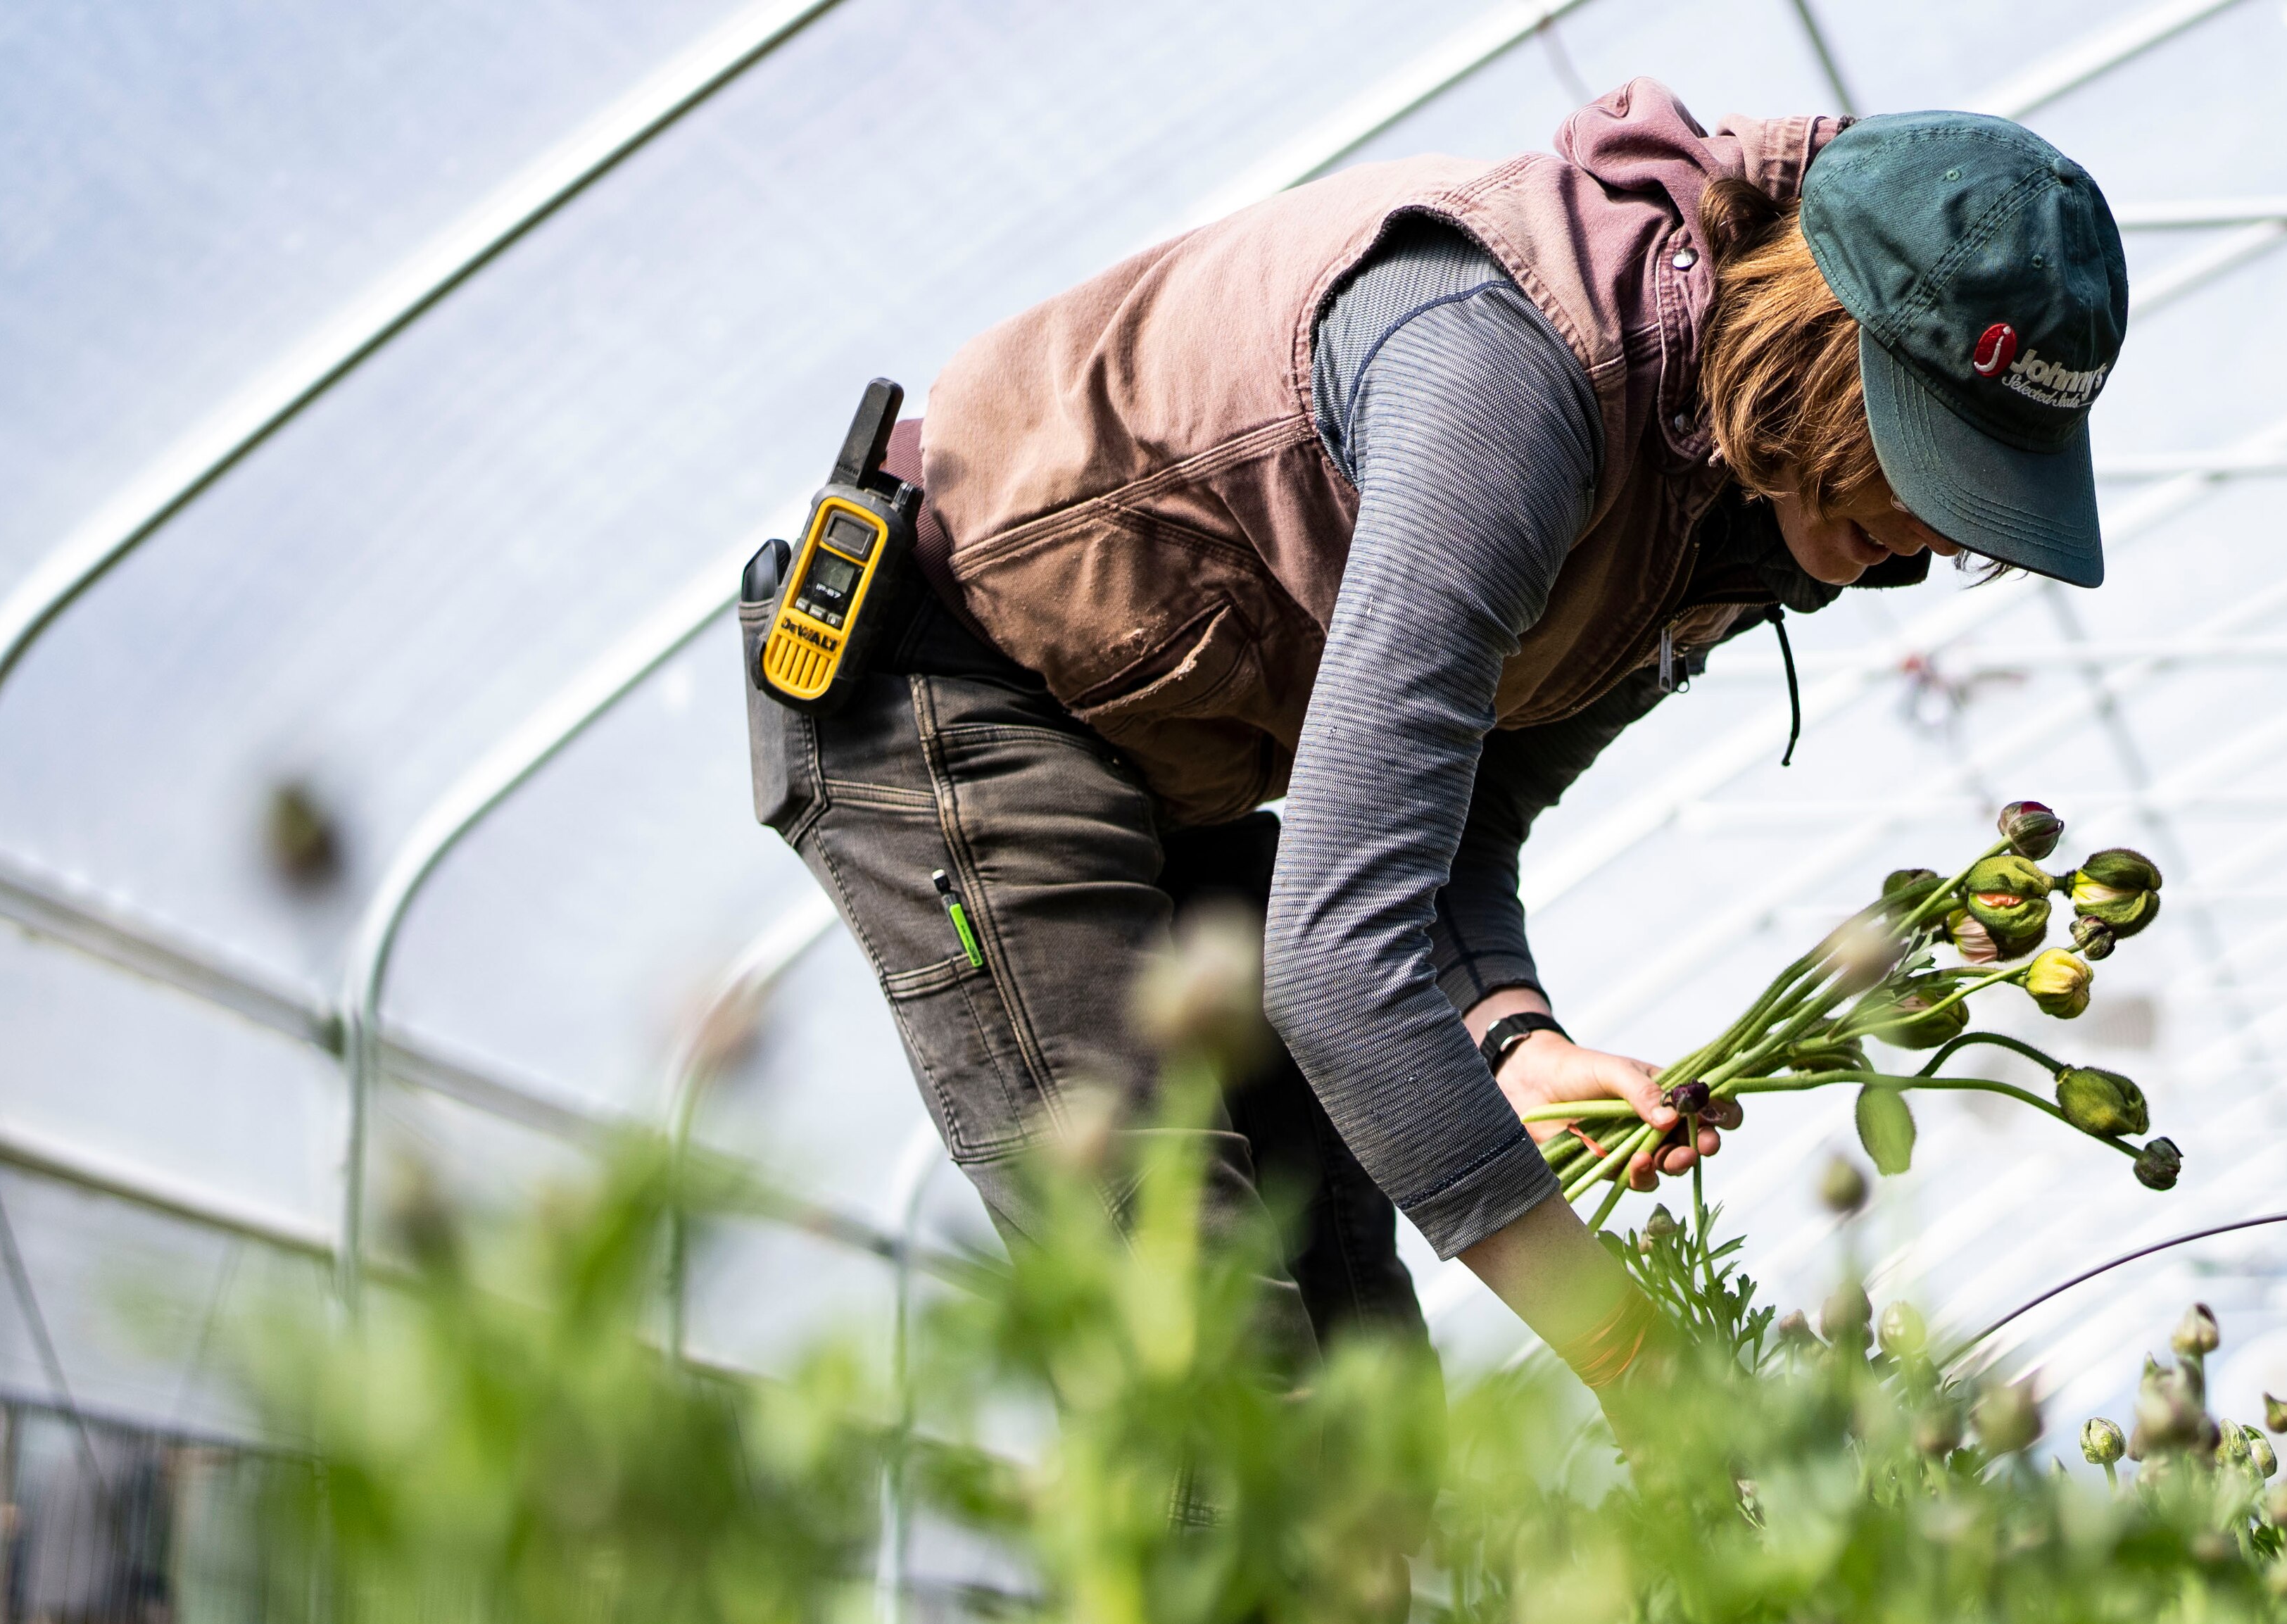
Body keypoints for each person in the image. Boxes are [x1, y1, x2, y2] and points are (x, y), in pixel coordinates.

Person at [741, 83, 2127, 1392]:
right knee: (1217, 1394)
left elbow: (1463, 816)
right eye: (1919, 454)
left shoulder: (1733, 526)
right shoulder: (1510, 378)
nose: (1935, 535)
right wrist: (1637, 1371)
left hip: (1180, 765)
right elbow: (1339, 960)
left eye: (1975, 494)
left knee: (1362, 1409)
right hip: (960, 683)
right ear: (1809, 343)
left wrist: (1515, 1037)